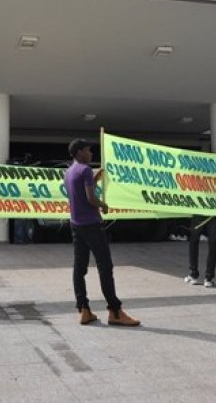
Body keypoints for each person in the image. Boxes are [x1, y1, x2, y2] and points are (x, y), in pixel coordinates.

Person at [65, 139, 140, 326]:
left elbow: (79, 193)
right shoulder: (85, 170)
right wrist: (103, 205)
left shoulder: (69, 171)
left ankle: (83, 309)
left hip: (76, 225)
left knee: (79, 268)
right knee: (105, 267)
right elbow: (90, 198)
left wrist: (94, 179)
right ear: (80, 152)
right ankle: (115, 311)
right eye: (88, 150)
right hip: (91, 225)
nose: (91, 154)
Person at [184, 215, 216, 287]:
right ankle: (207, 277)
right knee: (212, 243)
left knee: (195, 241)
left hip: (204, 212)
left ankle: (195, 274)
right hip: (212, 213)